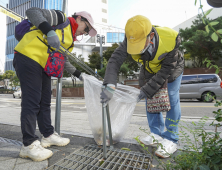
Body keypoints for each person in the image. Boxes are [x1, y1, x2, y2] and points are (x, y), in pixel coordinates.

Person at [13, 7, 97, 161]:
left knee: (45, 102)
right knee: (31, 102)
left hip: (44, 65)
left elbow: (62, 60)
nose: (85, 33)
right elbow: (32, 12)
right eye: (87, 28)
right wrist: (49, 31)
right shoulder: (61, 18)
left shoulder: (70, 39)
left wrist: (80, 75)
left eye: (87, 32)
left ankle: (48, 135)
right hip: (27, 57)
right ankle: (28, 145)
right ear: (79, 19)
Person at [100, 15, 184, 158]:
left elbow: (165, 71)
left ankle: (171, 138)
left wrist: (145, 90)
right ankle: (156, 134)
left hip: (171, 69)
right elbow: (114, 61)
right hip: (149, 69)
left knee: (171, 98)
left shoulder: (170, 39)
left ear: (151, 36)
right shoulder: (130, 38)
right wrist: (109, 84)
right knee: (149, 98)